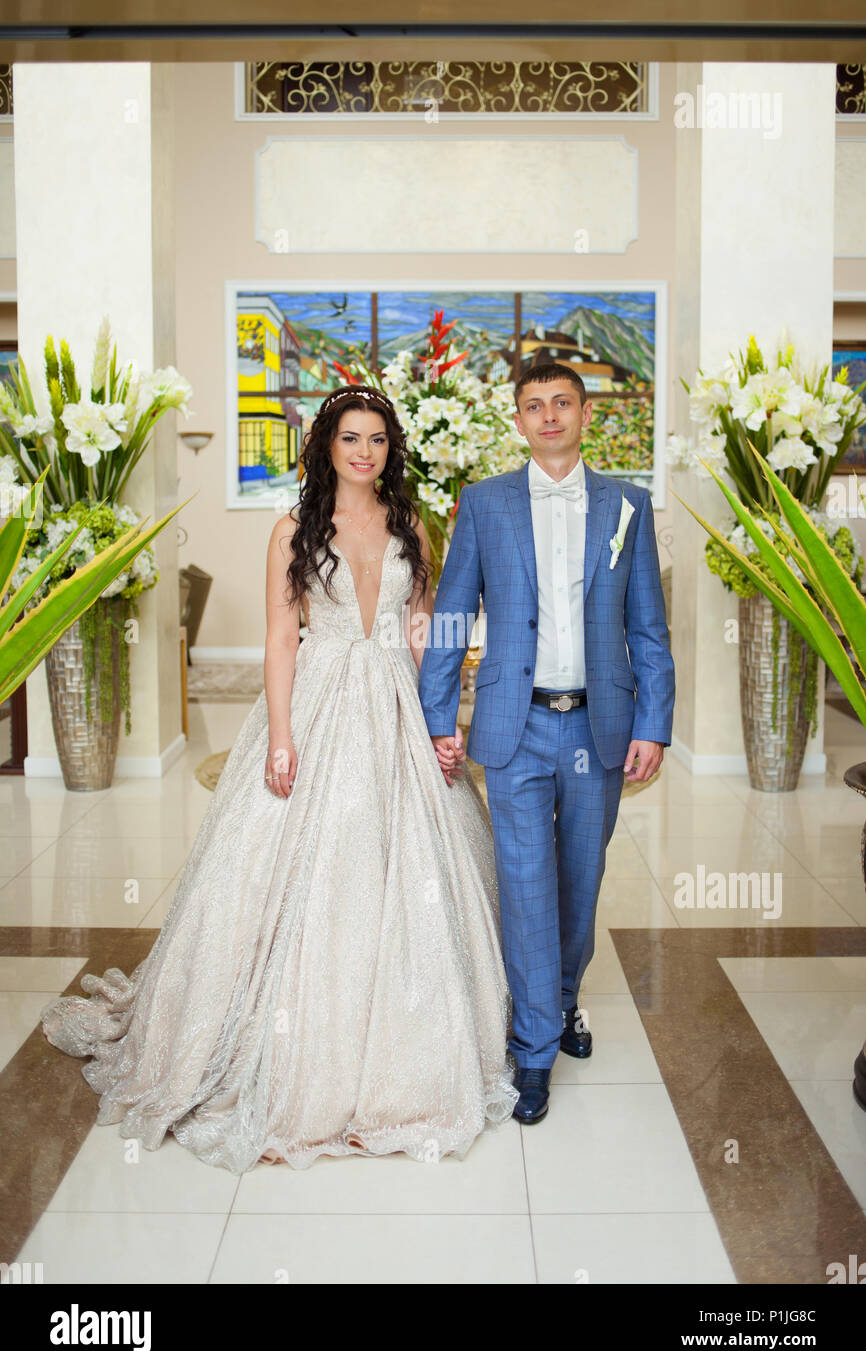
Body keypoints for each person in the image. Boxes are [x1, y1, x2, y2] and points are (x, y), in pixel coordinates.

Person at [40, 384, 517, 1174]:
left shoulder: (412, 527)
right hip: (322, 701)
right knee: (304, 867)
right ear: (326, 447)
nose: (365, 452)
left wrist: (445, 721)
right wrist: (282, 737)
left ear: (391, 450)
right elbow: (280, 640)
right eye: (350, 439)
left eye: (377, 440)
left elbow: (430, 631)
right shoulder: (292, 530)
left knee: (414, 870)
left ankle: (404, 1060)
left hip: (397, 699)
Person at [418, 363, 675, 1125]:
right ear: (519, 420)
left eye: (562, 402)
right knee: (526, 882)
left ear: (585, 413)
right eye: (535, 406)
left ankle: (562, 1002)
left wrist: (653, 722)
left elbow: (648, 627)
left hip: (600, 724)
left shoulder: (628, 505)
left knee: (579, 878)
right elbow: (455, 615)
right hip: (514, 722)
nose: (549, 416)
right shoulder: (485, 504)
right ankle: (532, 1050)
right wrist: (441, 714)